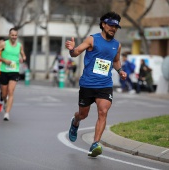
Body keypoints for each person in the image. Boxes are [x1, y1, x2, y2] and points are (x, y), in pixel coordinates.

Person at [65, 11, 127, 157]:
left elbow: (116, 60)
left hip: (105, 84)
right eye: (111, 25)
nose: (113, 28)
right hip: (88, 84)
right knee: (83, 114)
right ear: (104, 25)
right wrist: (72, 49)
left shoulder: (117, 45)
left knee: (103, 111)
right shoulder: (92, 39)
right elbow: (76, 53)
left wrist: (120, 71)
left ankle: (95, 144)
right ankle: (75, 121)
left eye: (116, 26)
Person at [0, 28, 26, 121]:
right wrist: (4, 60)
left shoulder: (19, 45)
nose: (14, 37)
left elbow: (23, 55)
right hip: (4, 71)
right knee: (4, 94)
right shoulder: (4, 44)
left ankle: (7, 113)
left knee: (11, 91)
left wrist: (23, 58)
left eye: (15, 35)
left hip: (14, 71)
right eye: (12, 35)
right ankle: (5, 102)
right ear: (9, 35)